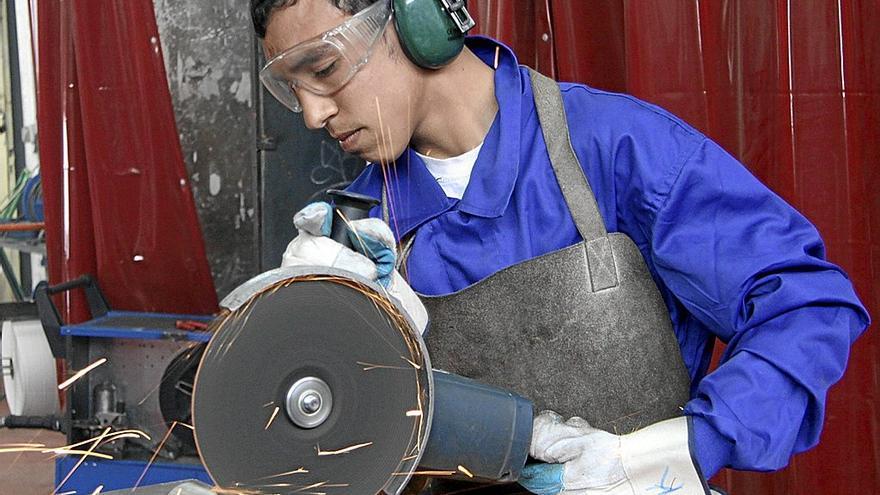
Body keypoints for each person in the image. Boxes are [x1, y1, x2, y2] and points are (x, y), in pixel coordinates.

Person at [250, 1, 870, 494]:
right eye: (292, 88)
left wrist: (677, 451)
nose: (311, 114)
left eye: (325, 69)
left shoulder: (614, 148)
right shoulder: (362, 236)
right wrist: (319, 331)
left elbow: (807, 304)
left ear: (416, 17)